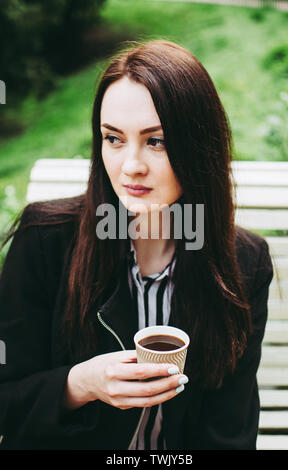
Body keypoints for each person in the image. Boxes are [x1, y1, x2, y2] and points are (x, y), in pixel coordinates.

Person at [0, 39, 273, 450]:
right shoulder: (45, 240)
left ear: (201, 146)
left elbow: (230, 432)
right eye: (113, 138)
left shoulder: (243, 262)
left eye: (156, 141)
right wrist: (81, 384)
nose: (131, 166)